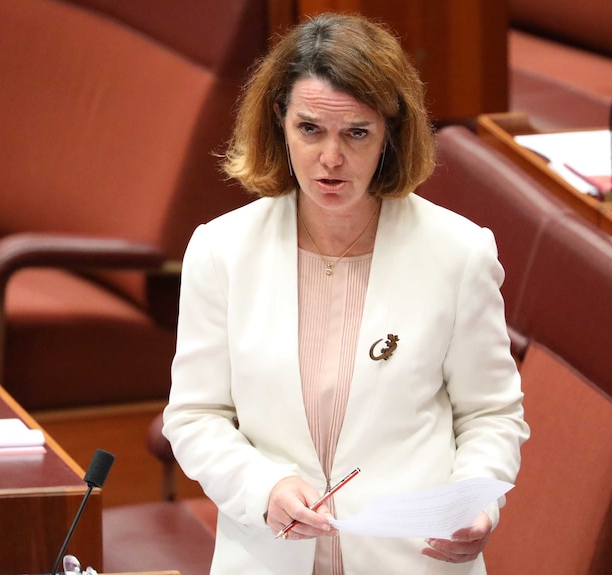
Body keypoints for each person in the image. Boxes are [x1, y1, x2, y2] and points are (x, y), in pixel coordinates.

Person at [162, 12, 529, 574]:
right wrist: (264, 487)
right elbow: (195, 415)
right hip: (270, 556)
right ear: (280, 123)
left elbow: (491, 414)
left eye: (356, 133)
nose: (331, 159)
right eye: (311, 129)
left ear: (389, 135)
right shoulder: (221, 250)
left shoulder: (459, 253)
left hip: (413, 561)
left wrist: (477, 500)